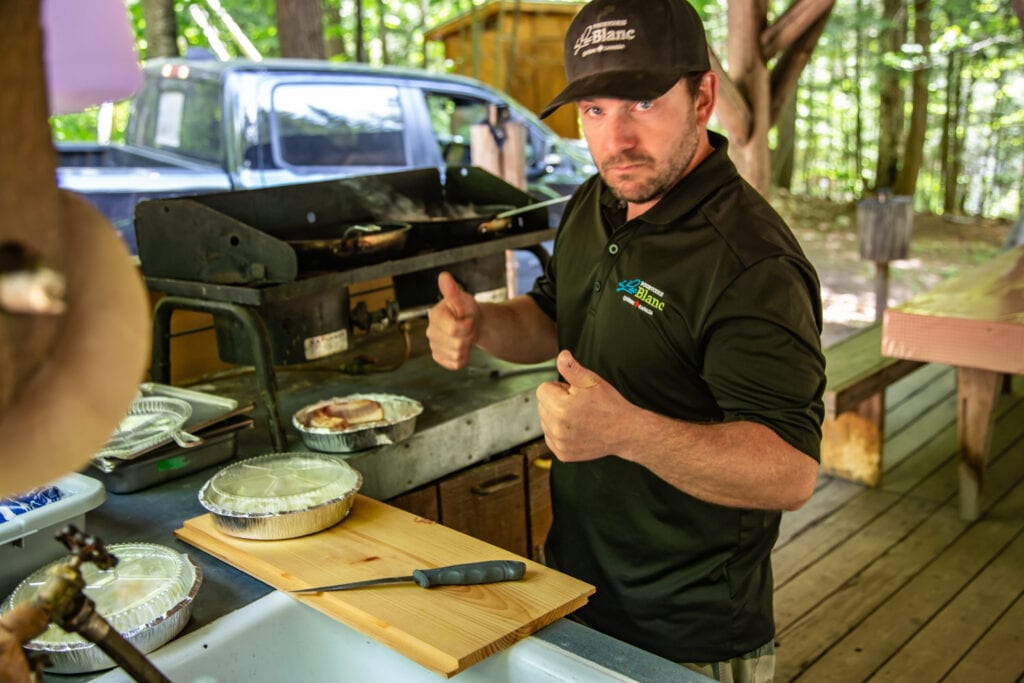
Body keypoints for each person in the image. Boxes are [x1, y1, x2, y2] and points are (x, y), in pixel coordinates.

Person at [426, 0, 826, 680]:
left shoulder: (753, 263)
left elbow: (790, 471)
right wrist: (483, 324)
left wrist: (627, 432)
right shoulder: (595, 202)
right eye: (594, 110)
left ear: (702, 97)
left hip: (690, 633)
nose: (615, 139)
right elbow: (557, 318)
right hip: (575, 591)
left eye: (640, 102)